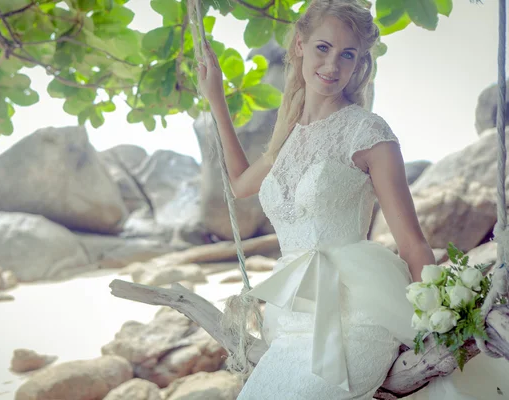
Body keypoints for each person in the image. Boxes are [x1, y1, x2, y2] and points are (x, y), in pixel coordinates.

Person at [196, 0, 507, 399]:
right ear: (299, 46)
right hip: (292, 322)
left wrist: (437, 320)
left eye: (348, 55)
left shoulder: (369, 134)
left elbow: (412, 243)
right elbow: (240, 185)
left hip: (358, 318)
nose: (332, 66)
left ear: (360, 63)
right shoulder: (287, 136)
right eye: (323, 48)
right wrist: (216, 98)